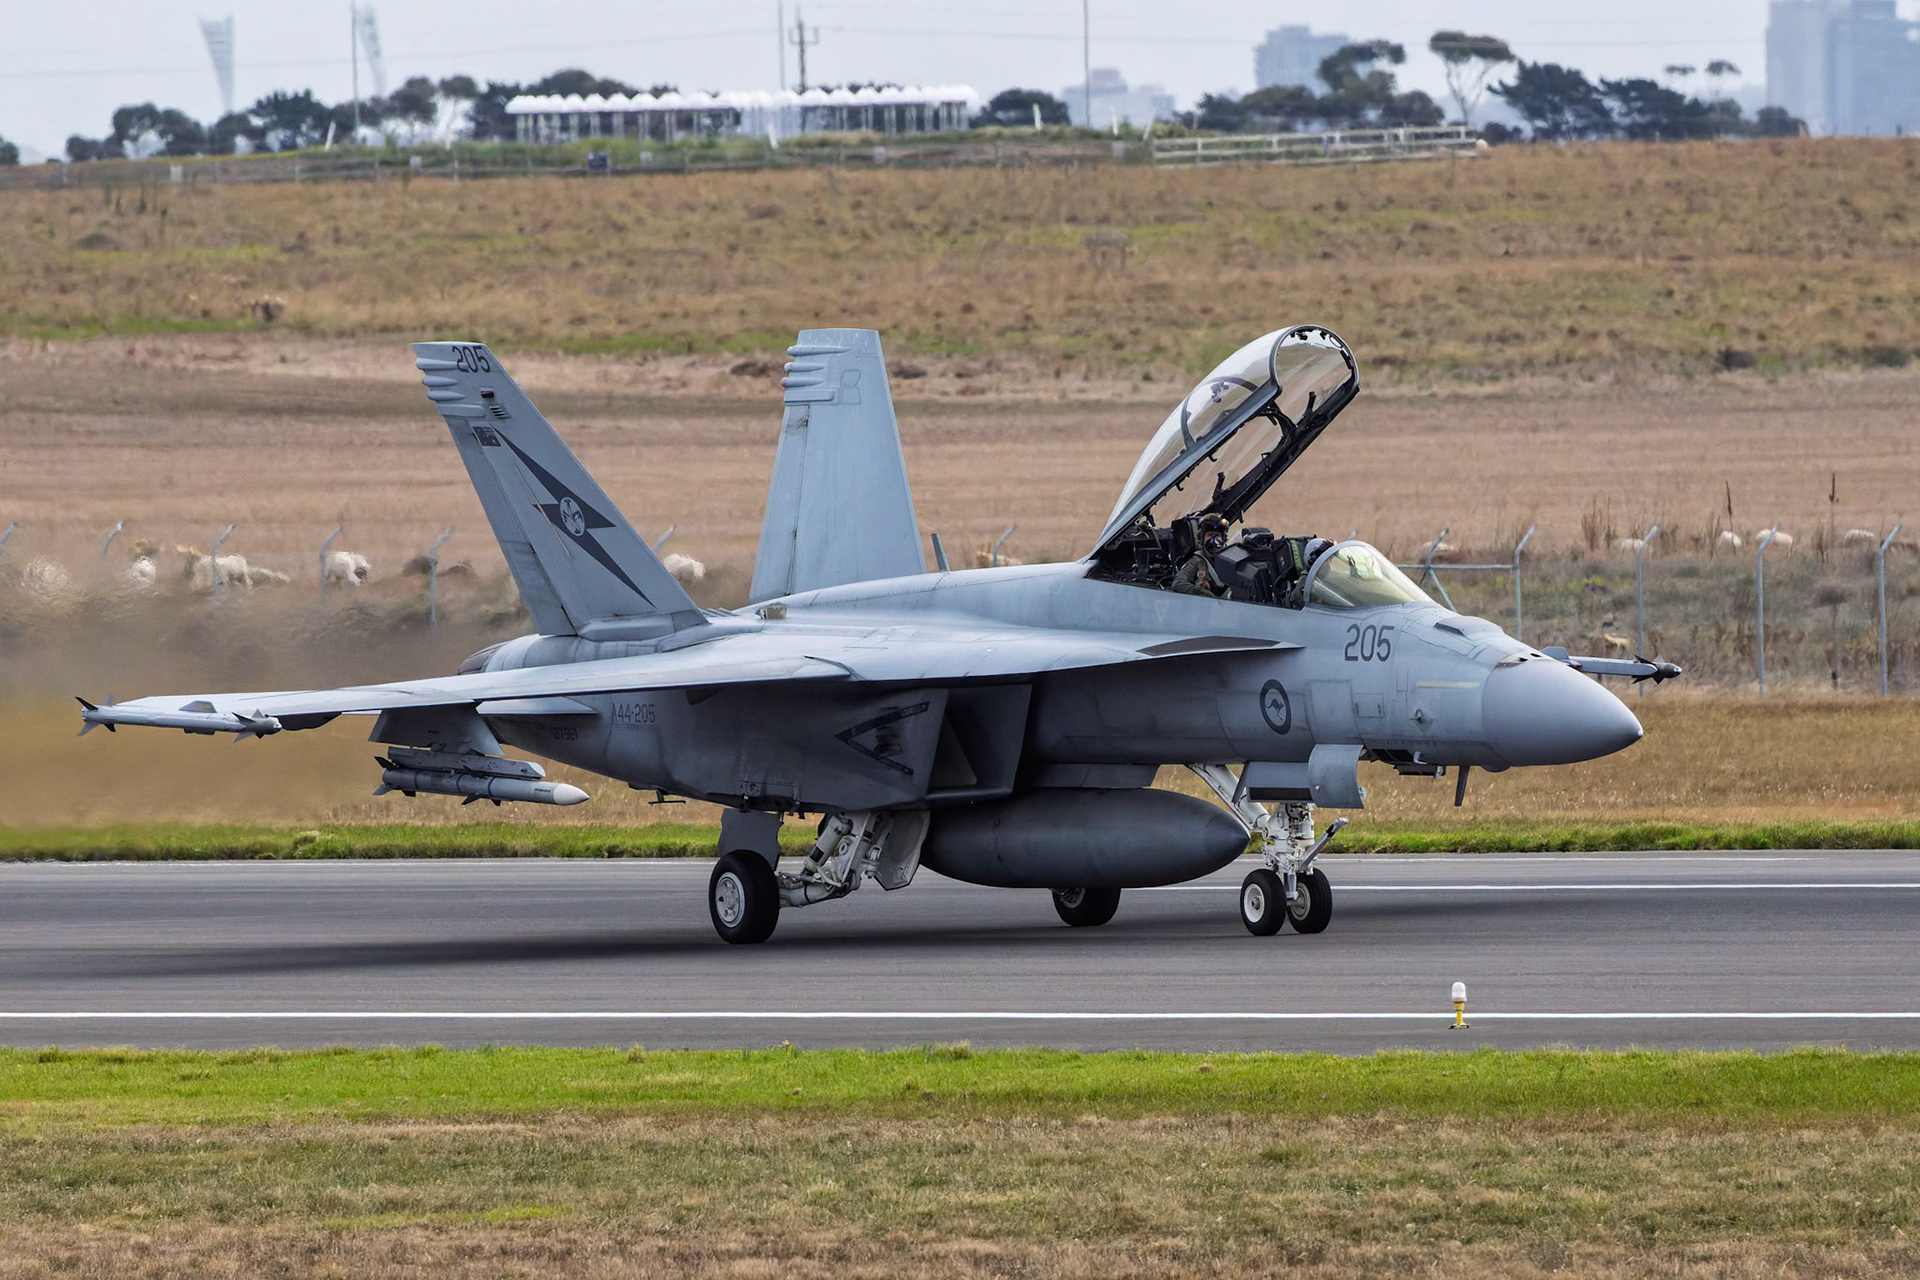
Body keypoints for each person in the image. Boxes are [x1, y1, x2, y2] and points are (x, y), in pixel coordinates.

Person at [1171, 513, 1230, 597]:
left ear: (1223, 538)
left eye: (1217, 535)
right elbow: (1178, 583)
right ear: (1202, 538)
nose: (1213, 539)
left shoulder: (1230, 560)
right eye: (1209, 535)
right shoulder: (1197, 562)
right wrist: (1205, 595)